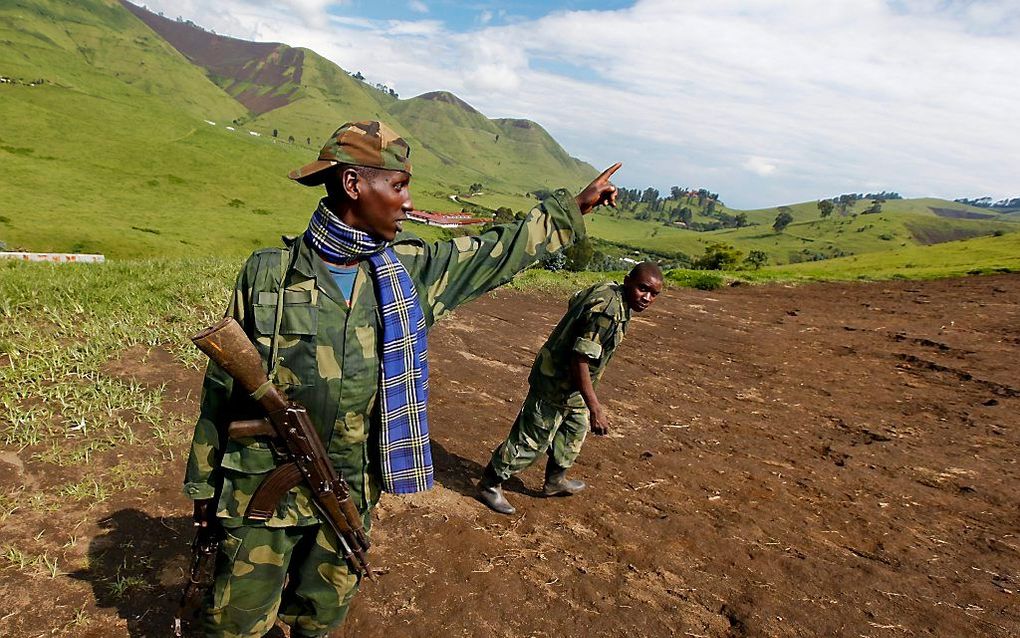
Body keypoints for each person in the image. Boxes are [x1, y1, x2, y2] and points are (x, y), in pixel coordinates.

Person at [183, 120, 621, 638]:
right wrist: (203, 491)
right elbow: (223, 388)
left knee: (320, 620)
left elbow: (493, 254)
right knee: (235, 624)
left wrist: (574, 208)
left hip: (349, 489)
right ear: (353, 186)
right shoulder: (270, 274)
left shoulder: (407, 273)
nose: (408, 201)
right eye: (398, 186)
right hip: (262, 490)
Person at [477, 261, 664, 515]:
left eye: (654, 294)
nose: (647, 298)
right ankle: (490, 483)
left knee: (573, 432)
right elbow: (580, 359)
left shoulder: (610, 291)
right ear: (628, 280)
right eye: (643, 289)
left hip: (574, 388)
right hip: (556, 381)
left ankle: (554, 481)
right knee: (532, 440)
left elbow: (575, 300)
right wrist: (596, 407)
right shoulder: (608, 313)